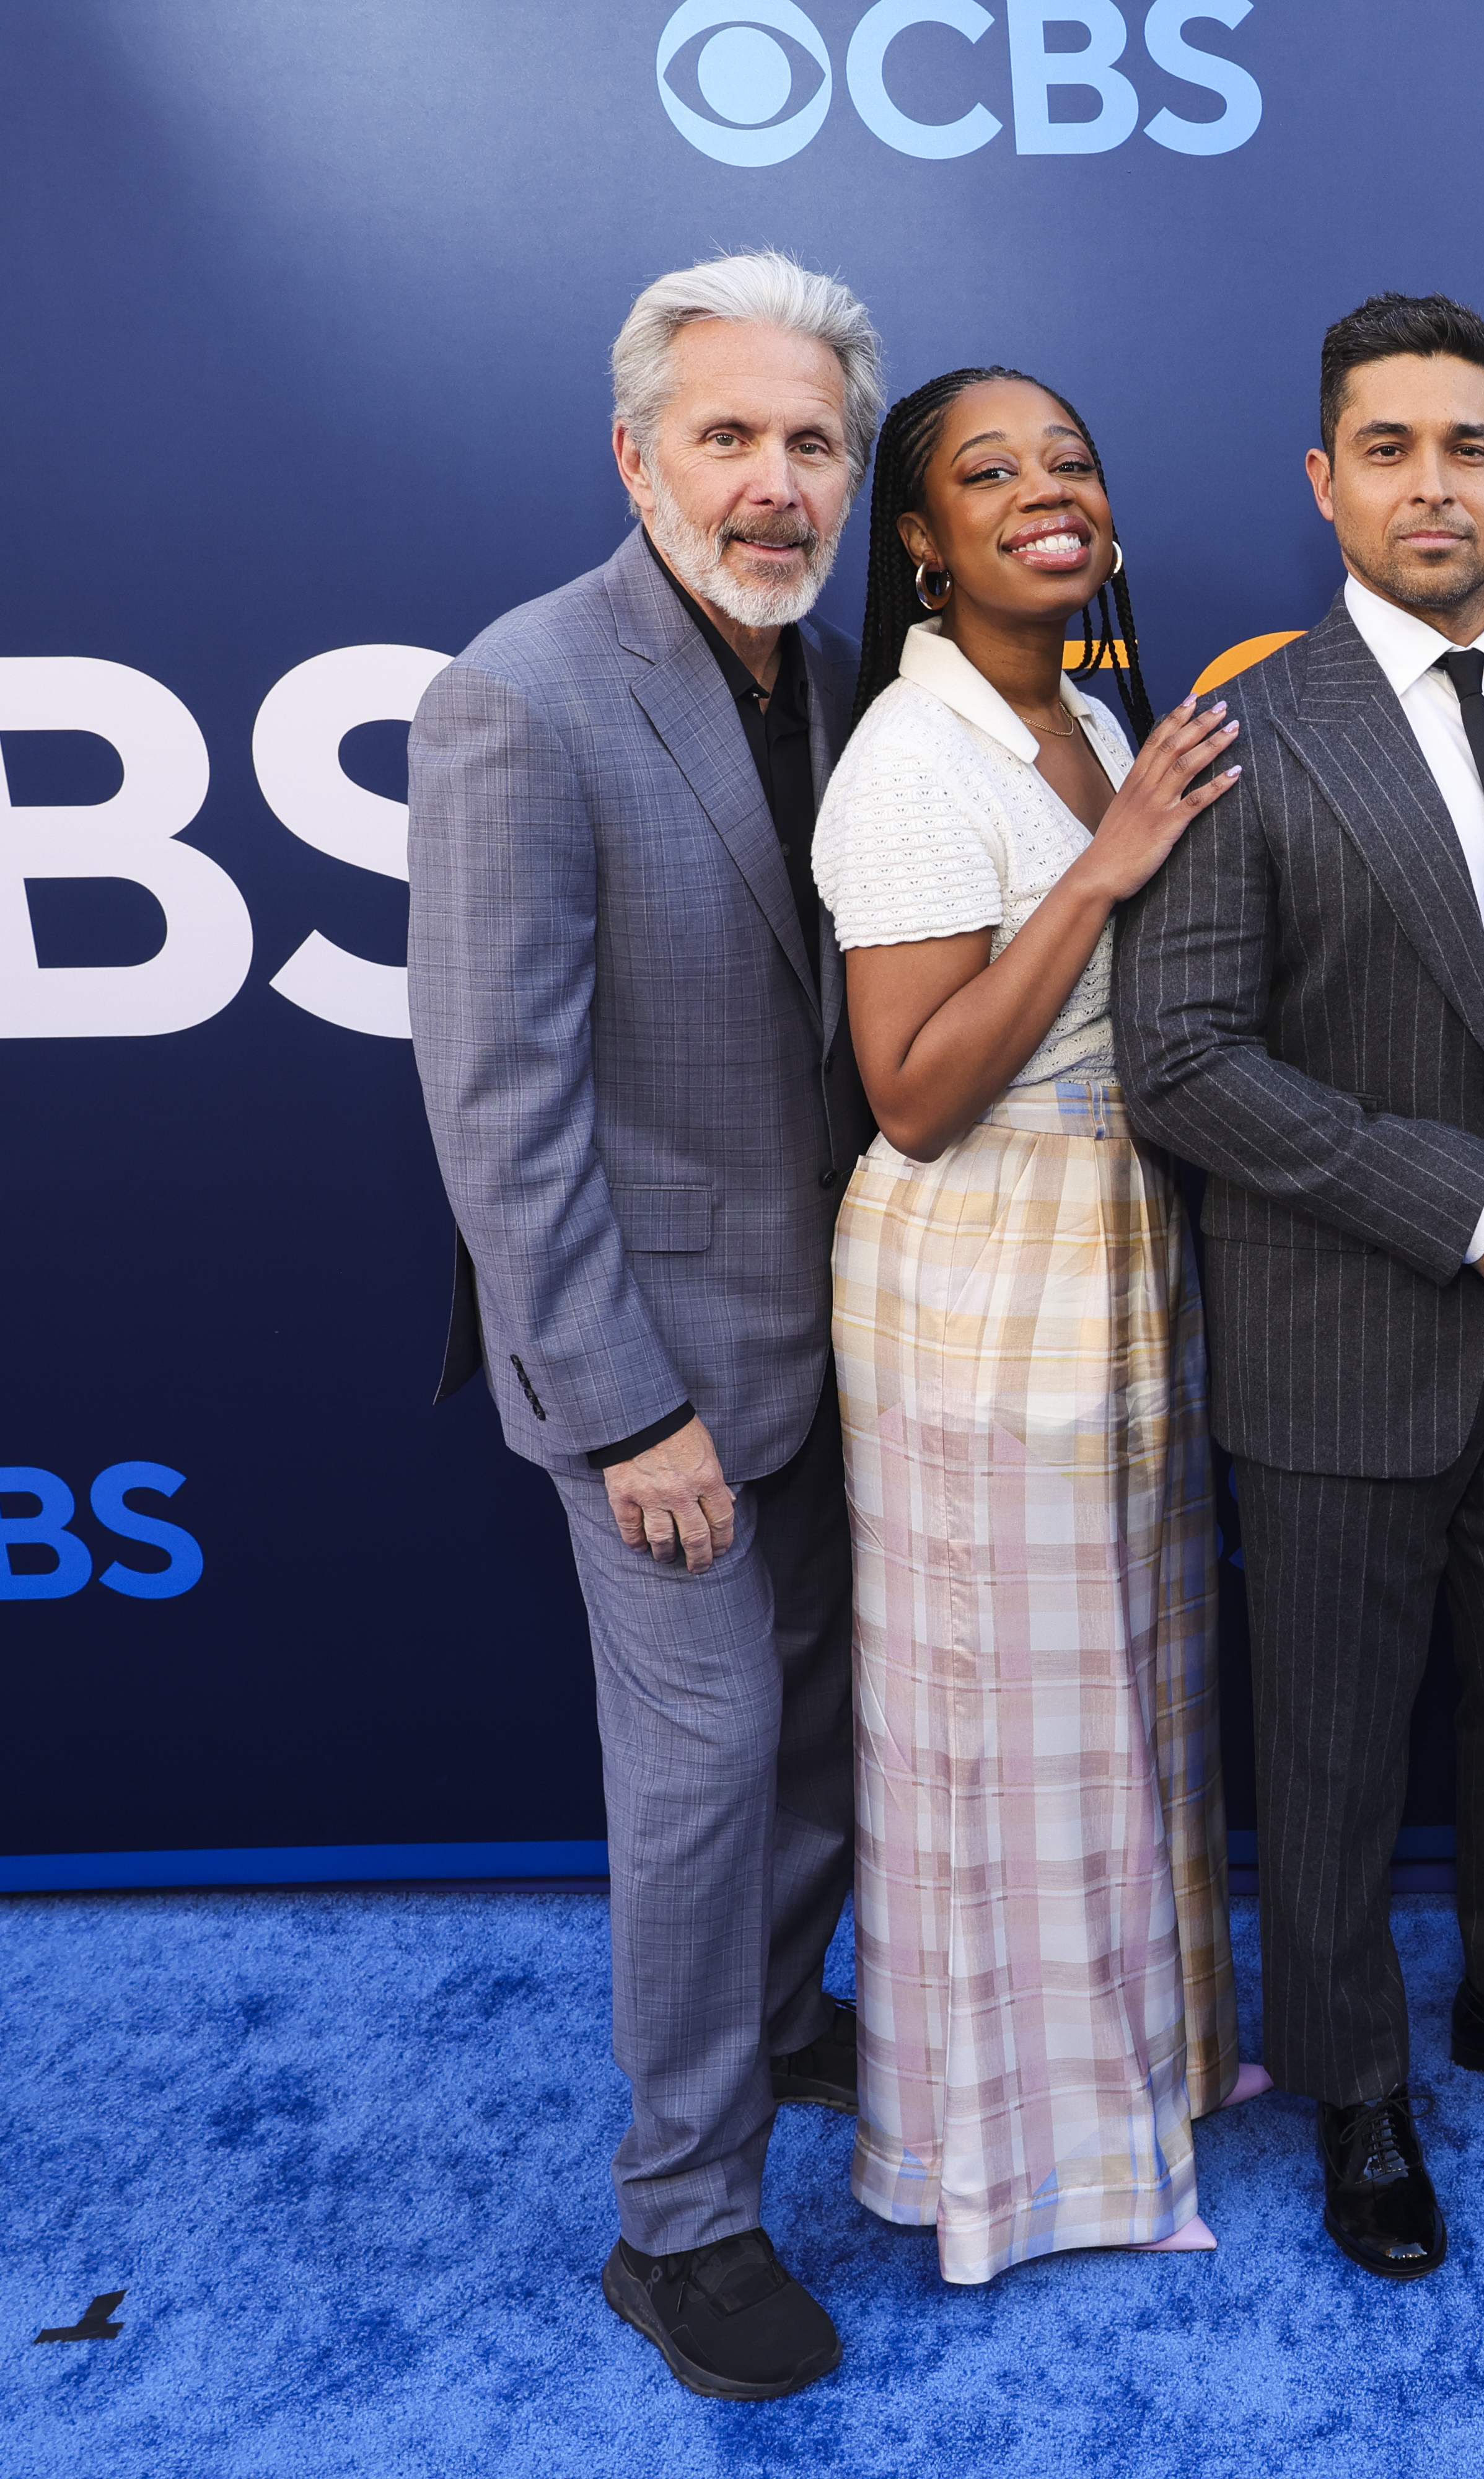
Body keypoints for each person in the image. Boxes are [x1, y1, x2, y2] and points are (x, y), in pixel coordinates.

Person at [1115, 294, 1484, 2284]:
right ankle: (1356, 2082)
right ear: (1325, 481)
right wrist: (1465, 1203)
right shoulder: (1247, 734)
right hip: (1350, 1331)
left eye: (1467, 447)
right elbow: (1182, 1063)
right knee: (1341, 1749)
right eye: (1389, 448)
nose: (1431, 483)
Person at [407, 251, 885, 2399]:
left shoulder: (837, 674)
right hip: (653, 1382)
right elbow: (499, 1107)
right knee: (699, 1789)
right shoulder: (523, 692)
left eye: (809, 443)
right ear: (637, 454)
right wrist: (622, 1417)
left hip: (829, 1352)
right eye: (730, 437)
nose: (773, 483)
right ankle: (678, 2227)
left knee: (810, 1755)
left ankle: (783, 2025)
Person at [811, 365, 1271, 2284]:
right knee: (1009, 1729)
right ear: (918, 545)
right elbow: (912, 1089)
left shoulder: (1081, 710)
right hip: (980, 1274)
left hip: (1112, 1254)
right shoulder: (909, 764)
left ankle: (1141, 2077)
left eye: (1068, 459)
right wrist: (1104, 871)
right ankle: (1024, 2170)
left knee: (1122, 1704)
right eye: (984, 474)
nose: (1041, 492)